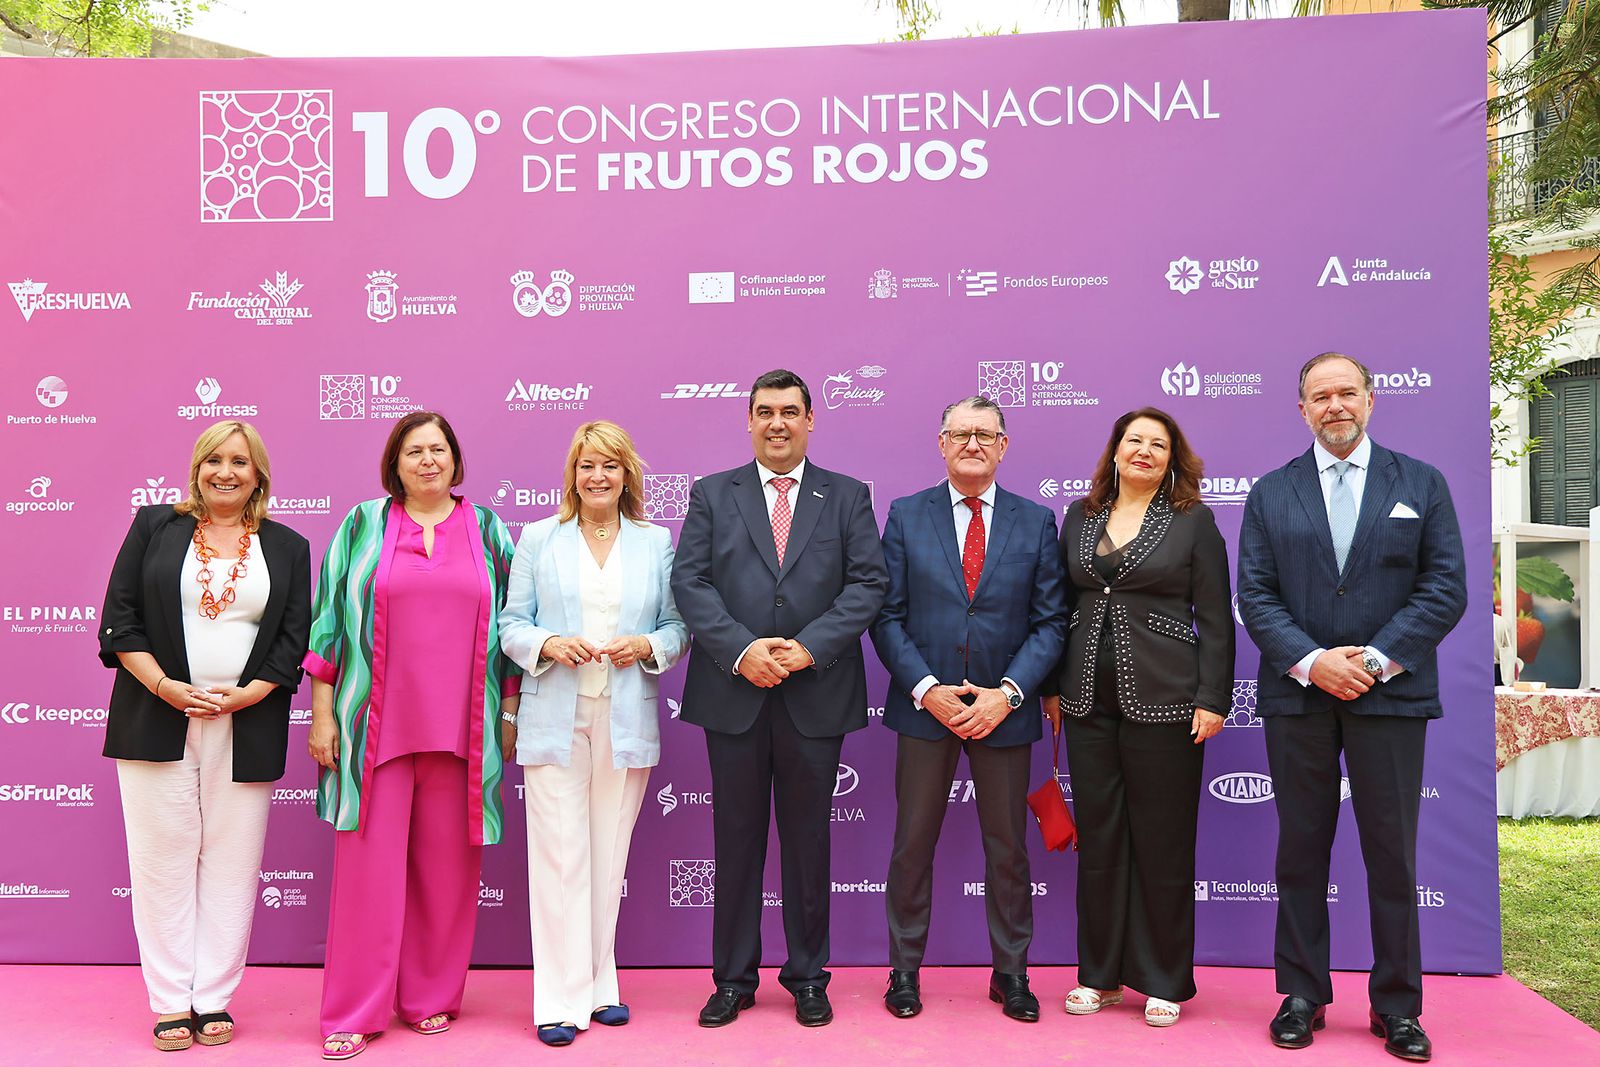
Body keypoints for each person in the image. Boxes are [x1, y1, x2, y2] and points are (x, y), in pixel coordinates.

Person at [1238, 353, 1466, 1062]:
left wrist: (1367, 661)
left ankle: (1397, 1004)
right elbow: (1256, 593)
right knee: (1300, 849)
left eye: (1346, 392)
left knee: (1391, 855)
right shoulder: (1272, 492)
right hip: (1298, 695)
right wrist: (1314, 662)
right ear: (1300, 408)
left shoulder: (1420, 483)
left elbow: (1445, 586)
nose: (1334, 405)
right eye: (1319, 396)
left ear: (1371, 399)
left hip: (1389, 696)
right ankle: (1302, 994)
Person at [670, 368, 888, 1028]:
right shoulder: (713, 493)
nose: (777, 422)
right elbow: (692, 581)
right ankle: (733, 977)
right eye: (765, 411)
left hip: (814, 692)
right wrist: (744, 650)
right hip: (733, 691)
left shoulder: (847, 496)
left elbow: (867, 583)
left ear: (810, 419)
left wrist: (806, 647)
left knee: (807, 844)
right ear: (749, 419)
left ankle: (807, 974)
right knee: (734, 841)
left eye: (790, 411)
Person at [304, 411, 520, 1060]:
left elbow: (514, 630)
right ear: (394, 464)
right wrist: (320, 713)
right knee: (366, 876)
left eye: (438, 449)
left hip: (463, 728)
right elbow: (327, 627)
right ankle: (353, 1010)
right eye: (413, 451)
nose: (428, 460)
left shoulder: (488, 529)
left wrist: (508, 712)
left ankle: (430, 996)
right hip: (373, 725)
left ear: (455, 460)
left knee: (449, 873)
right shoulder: (360, 524)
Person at [99, 420, 311, 1051]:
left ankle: (212, 997)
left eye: (240, 462)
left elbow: (293, 638)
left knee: (232, 864)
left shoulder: (289, 545)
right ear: (196, 468)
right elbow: (119, 621)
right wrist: (166, 687)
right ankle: (170, 1000)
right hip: (155, 717)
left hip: (248, 723)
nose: (226, 471)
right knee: (162, 864)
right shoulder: (153, 527)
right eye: (214, 459)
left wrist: (250, 694)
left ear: (258, 475)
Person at [870, 396, 1066, 1022]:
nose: (972, 443)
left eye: (985, 434)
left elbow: (1050, 622)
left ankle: (1011, 972)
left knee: (1008, 848)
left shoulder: (1036, 523)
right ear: (941, 442)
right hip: (923, 708)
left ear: (1004, 446)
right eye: (960, 433)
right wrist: (926, 689)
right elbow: (887, 615)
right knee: (912, 844)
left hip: (1002, 710)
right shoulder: (905, 515)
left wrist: (1007, 695)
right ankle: (904, 972)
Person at [498, 420, 688, 1047]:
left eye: (610, 465)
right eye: (586, 466)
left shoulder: (656, 542)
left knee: (608, 859)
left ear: (626, 473)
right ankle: (556, 998)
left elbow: (676, 626)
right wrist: (549, 642)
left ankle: (600, 984)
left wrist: (648, 645)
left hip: (625, 718)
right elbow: (511, 625)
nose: (598, 476)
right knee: (559, 858)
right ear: (571, 475)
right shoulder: (538, 539)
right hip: (553, 717)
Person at [1041, 407, 1233, 1028]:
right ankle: (1099, 977)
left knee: (1163, 842)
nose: (1144, 451)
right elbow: (1057, 603)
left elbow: (1216, 617)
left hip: (1169, 701)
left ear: (1172, 456)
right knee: (1100, 839)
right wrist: (1051, 688)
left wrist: (1213, 697)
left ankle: (1163, 979)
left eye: (1158, 443)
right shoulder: (1080, 514)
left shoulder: (1194, 522)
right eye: (1134, 441)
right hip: (1087, 701)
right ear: (1116, 451)